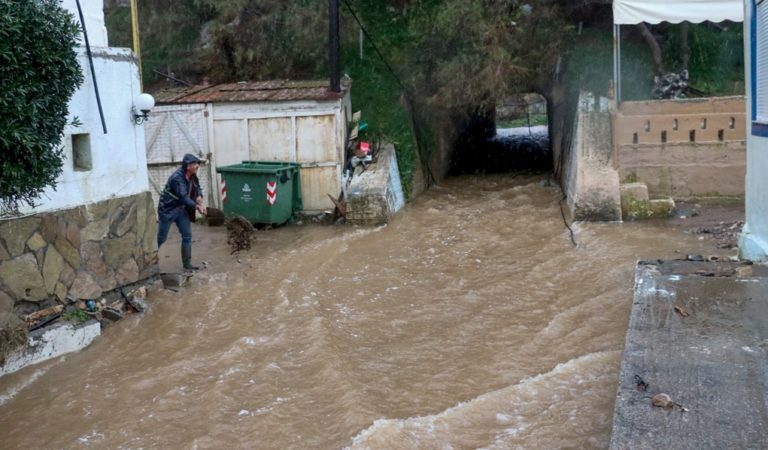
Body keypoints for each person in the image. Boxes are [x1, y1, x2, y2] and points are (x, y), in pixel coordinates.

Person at [157, 153, 207, 270]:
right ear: (188, 166)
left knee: (187, 236)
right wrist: (198, 207)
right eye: (195, 164)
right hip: (167, 209)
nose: (197, 166)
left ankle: (187, 264)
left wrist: (199, 195)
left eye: (197, 163)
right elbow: (184, 197)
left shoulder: (192, 175)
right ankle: (154, 264)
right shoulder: (177, 178)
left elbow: (197, 186)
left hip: (181, 209)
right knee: (162, 238)